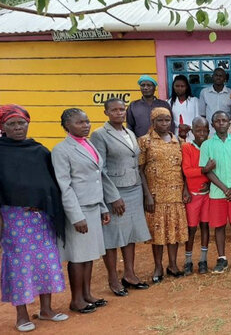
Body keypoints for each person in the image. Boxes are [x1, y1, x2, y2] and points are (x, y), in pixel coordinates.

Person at [0, 105, 67, 331]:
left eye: (22, 123)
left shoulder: (39, 151)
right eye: (12, 124)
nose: (18, 128)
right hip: (13, 218)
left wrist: (44, 202)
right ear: (2, 127)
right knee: (20, 264)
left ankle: (46, 310)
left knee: (46, 261)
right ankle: (21, 315)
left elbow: (51, 182)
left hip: (41, 217)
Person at [52, 108, 116, 314]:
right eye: (80, 123)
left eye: (87, 122)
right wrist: (76, 216)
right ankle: (76, 299)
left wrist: (102, 206)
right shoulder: (62, 150)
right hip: (78, 210)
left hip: (93, 206)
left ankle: (87, 294)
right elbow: (65, 185)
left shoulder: (88, 144)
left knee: (89, 254)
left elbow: (97, 178)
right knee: (78, 256)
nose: (86, 125)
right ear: (67, 126)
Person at [90, 99, 151, 296]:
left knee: (131, 233)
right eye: (114, 110)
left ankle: (130, 274)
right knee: (113, 236)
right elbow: (101, 169)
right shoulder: (100, 135)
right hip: (116, 191)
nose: (119, 113)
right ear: (106, 112)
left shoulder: (129, 132)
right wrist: (113, 196)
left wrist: (141, 189)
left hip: (134, 188)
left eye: (122, 109)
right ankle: (113, 279)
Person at [138, 107, 189, 283]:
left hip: (175, 193)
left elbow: (183, 169)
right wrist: (147, 195)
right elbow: (140, 169)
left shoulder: (178, 141)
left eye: (167, 120)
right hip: (156, 195)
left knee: (174, 230)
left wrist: (185, 189)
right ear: (153, 122)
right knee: (158, 233)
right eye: (160, 120)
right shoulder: (145, 142)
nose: (164, 123)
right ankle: (158, 266)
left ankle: (173, 265)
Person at [200, 111, 231, 274]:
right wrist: (225, 189)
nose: (221, 123)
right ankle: (221, 258)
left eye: (224, 120)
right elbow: (207, 171)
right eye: (217, 121)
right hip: (218, 193)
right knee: (219, 226)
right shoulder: (207, 145)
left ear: (229, 123)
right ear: (212, 125)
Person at [180, 117, 211, 275]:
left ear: (208, 131)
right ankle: (188, 261)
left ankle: (203, 260)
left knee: (205, 226)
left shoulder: (210, 146)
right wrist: (204, 170)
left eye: (205, 130)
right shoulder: (187, 147)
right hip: (193, 195)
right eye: (198, 130)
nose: (202, 133)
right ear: (192, 131)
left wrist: (210, 182)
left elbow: (215, 170)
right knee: (191, 229)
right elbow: (187, 171)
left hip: (206, 195)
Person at [169, 74, 199, 141]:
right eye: (177, 86)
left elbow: (198, 118)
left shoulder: (194, 101)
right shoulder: (169, 102)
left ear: (187, 87)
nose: (179, 88)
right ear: (173, 87)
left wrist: (189, 127)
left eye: (182, 86)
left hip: (191, 134)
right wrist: (179, 125)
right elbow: (168, 119)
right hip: (175, 134)